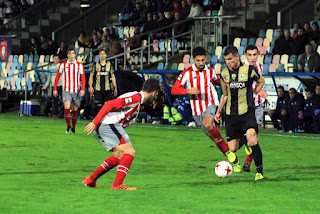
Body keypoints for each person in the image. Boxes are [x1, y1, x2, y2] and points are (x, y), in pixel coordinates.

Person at [83, 79, 160, 190]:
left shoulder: (137, 100)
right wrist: (95, 123)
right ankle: (117, 185)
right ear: (154, 93)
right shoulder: (135, 98)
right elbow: (109, 104)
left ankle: (91, 179)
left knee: (120, 155)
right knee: (130, 152)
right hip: (108, 124)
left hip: (105, 125)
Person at [171, 46, 240, 171]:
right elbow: (174, 89)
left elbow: (218, 81)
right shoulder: (187, 73)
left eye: (203, 60)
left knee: (208, 125)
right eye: (198, 61)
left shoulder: (210, 70)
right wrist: (188, 90)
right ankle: (234, 160)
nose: (201, 63)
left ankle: (229, 154)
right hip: (197, 111)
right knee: (215, 139)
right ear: (193, 59)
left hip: (211, 103)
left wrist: (228, 86)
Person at [214, 45, 265, 180]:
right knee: (233, 148)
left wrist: (254, 93)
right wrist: (218, 112)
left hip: (247, 112)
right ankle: (245, 142)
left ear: (237, 57)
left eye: (230, 59)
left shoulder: (249, 70)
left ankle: (259, 173)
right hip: (231, 115)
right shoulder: (224, 74)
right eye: (226, 60)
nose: (228, 62)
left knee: (252, 136)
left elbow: (261, 81)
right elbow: (224, 94)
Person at [241, 45, 268, 172]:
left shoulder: (260, 67)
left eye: (254, 54)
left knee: (254, 133)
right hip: (245, 104)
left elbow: (258, 83)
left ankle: (247, 162)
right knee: (247, 135)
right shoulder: (241, 68)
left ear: (258, 55)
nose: (252, 57)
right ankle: (244, 143)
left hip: (257, 104)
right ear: (245, 55)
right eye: (250, 55)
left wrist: (262, 95)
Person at [53, 49, 86, 134]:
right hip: (66, 89)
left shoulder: (79, 65)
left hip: (76, 90)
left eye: (73, 54)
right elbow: (57, 77)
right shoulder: (63, 65)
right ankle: (68, 126)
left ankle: (73, 127)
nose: (71, 55)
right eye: (69, 53)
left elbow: (83, 77)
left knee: (75, 109)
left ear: (75, 55)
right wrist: (55, 88)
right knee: (67, 107)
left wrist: (82, 89)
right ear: (67, 55)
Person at [88, 49, 118, 115]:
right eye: (100, 54)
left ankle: (105, 121)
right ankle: (99, 122)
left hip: (107, 89)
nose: (102, 55)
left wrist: (115, 87)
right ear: (98, 55)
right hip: (98, 89)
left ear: (106, 55)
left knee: (106, 105)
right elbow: (91, 76)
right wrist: (90, 86)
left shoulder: (109, 64)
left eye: (103, 53)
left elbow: (113, 76)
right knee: (99, 106)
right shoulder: (95, 65)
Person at [42, 54, 62, 119]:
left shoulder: (61, 66)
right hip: (54, 86)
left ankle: (65, 114)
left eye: (57, 58)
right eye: (54, 58)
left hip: (61, 85)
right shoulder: (51, 67)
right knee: (54, 100)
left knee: (64, 100)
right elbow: (49, 77)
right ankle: (54, 114)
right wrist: (46, 85)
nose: (56, 60)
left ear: (59, 59)